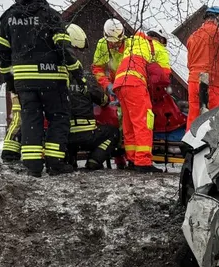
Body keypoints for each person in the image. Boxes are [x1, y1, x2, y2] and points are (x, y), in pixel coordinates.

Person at [0, 0, 84, 177]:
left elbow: (1, 51)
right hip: (52, 78)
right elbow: (63, 47)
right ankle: (55, 163)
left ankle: (33, 165)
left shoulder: (8, 17)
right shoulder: (50, 15)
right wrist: (77, 72)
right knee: (58, 117)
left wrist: (9, 79)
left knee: (30, 120)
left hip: (24, 80)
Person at [64, 24, 122, 170]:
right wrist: (108, 98)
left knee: (65, 140)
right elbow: (103, 100)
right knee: (113, 132)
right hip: (88, 135)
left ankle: (68, 161)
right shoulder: (85, 81)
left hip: (66, 135)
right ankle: (95, 160)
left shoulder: (58, 82)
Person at [112, 30, 164, 173]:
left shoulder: (131, 43)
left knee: (128, 123)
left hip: (120, 84)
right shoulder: (154, 45)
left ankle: (132, 158)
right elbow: (164, 74)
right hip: (135, 84)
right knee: (144, 122)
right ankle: (143, 161)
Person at [147, 31, 187, 134]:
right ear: (160, 38)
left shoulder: (139, 46)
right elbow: (165, 76)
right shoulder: (160, 50)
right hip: (155, 93)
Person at [91, 18, 126, 91]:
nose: (114, 45)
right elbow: (97, 68)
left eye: (117, 42)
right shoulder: (102, 44)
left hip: (127, 82)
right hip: (112, 82)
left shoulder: (130, 46)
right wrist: (107, 85)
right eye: (110, 42)